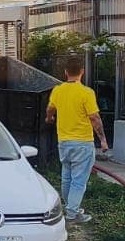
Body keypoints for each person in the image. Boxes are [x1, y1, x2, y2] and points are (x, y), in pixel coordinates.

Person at [45, 58, 110, 224]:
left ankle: (70, 208)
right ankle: (72, 214)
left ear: (65, 72)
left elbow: (50, 108)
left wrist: (49, 118)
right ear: (82, 71)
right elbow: (94, 117)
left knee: (67, 177)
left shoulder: (58, 90)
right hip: (82, 143)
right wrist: (102, 140)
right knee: (79, 181)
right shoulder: (86, 93)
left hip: (64, 142)